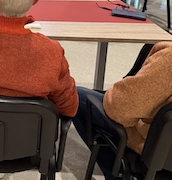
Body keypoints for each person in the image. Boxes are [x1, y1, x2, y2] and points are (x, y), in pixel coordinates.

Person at [73, 42, 172, 180]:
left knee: (77, 97)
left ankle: (116, 174)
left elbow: (119, 110)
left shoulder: (168, 59)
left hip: (157, 151)